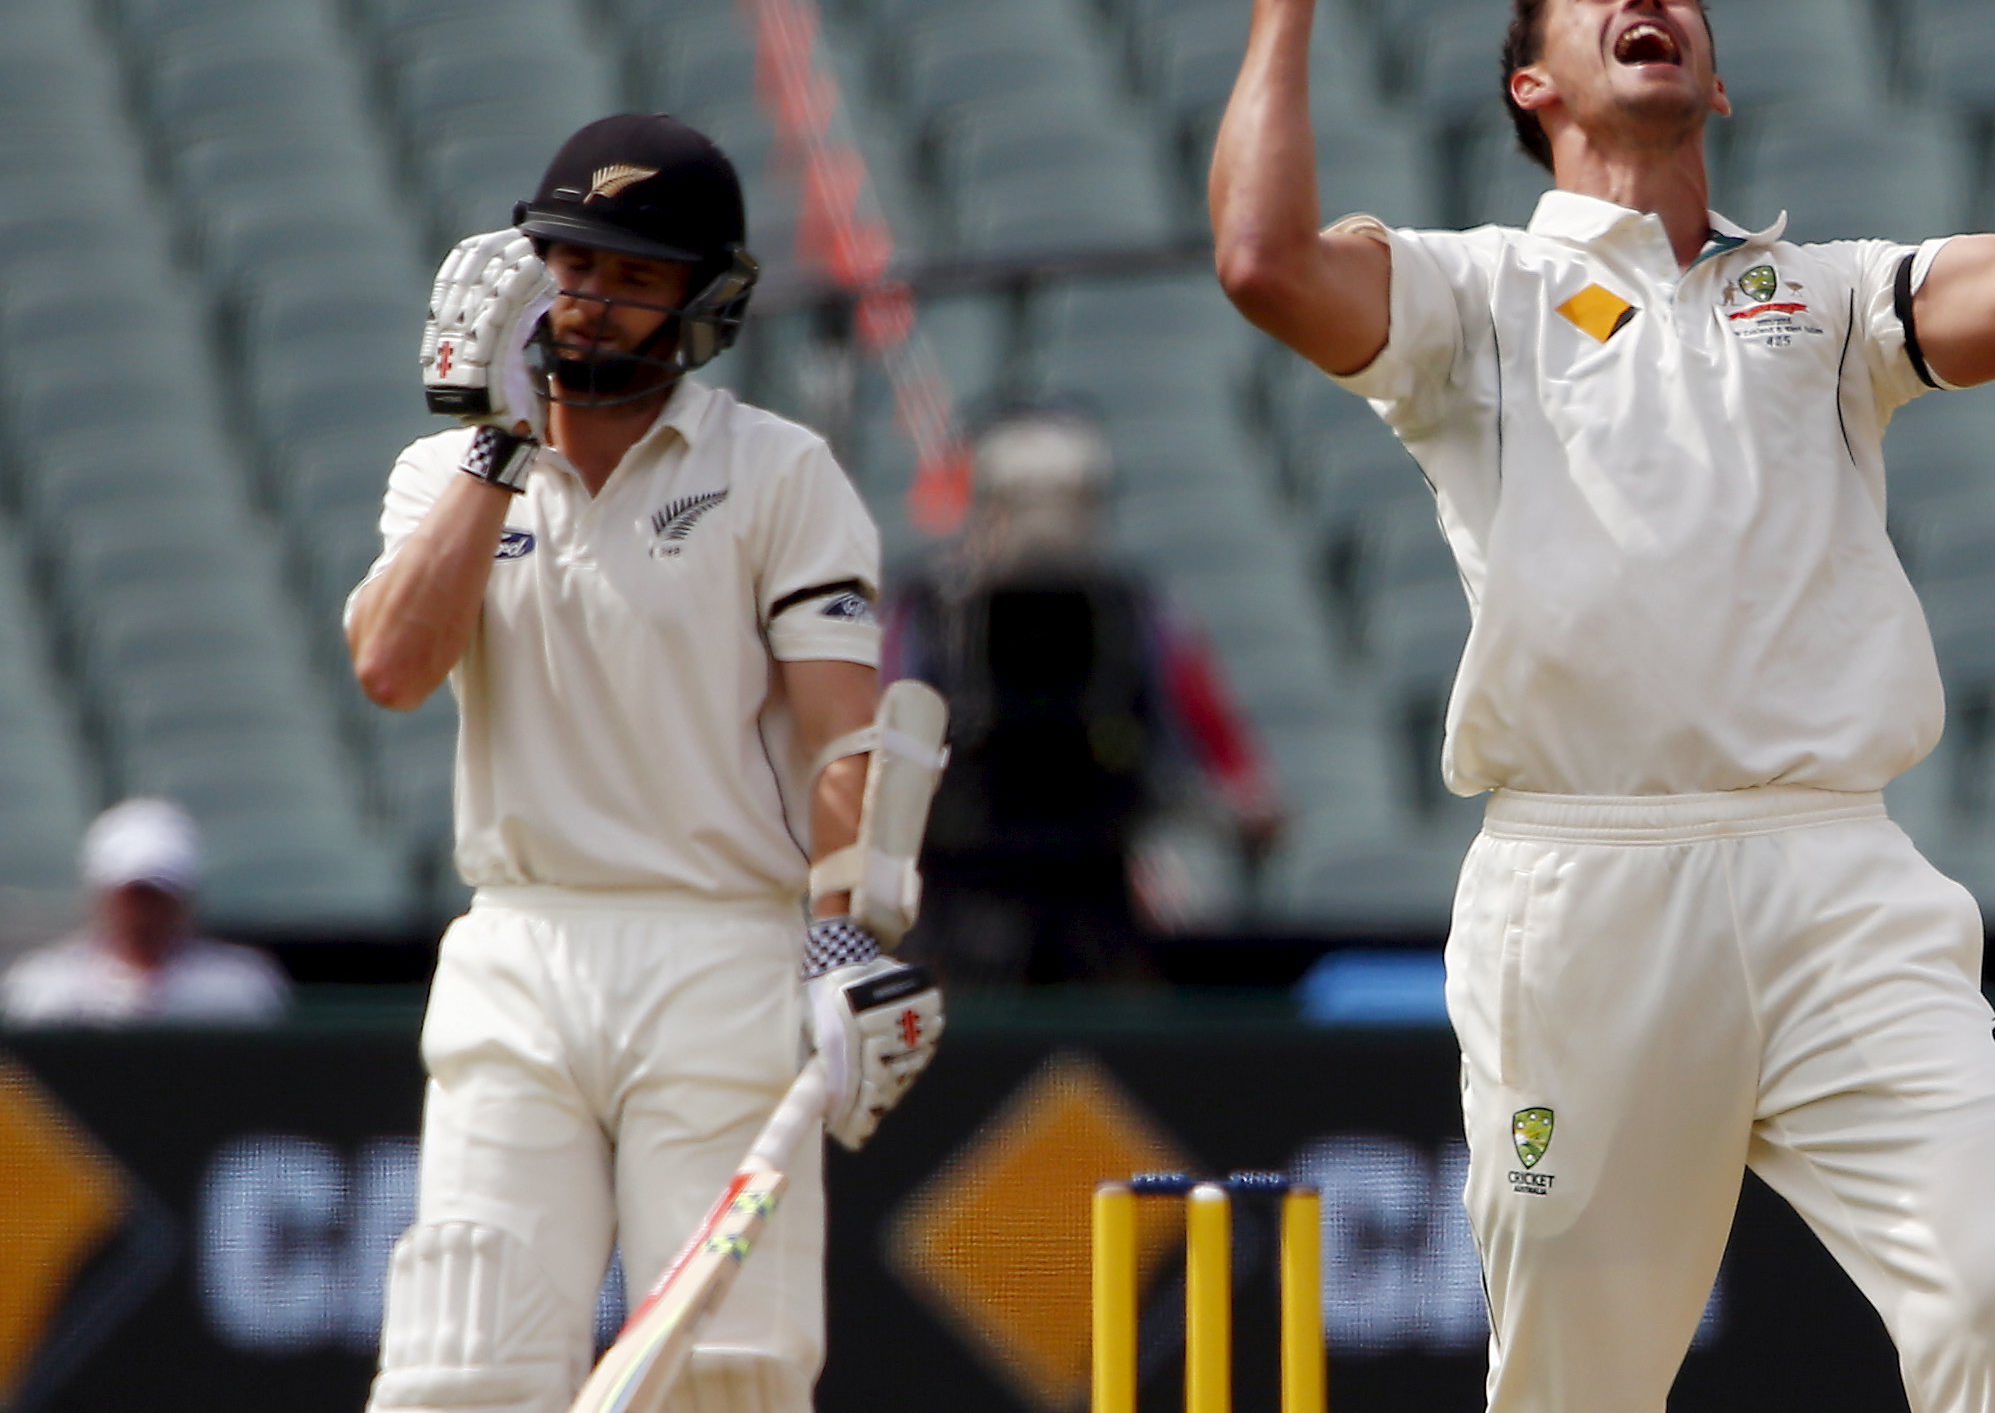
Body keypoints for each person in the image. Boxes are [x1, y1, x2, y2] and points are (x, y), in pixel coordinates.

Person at [1211, 0, 1995, 1413]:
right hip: (1585, 888)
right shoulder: (1479, 294)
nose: (1647, 0)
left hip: (1838, 876)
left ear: (1716, 79)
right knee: (1581, 1383)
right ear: (1533, 87)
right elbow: (1263, 262)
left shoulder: (1831, 300)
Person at [346, 113, 943, 1413]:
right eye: (571, 268)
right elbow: (391, 667)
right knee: (461, 1372)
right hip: (521, 943)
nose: (590, 304)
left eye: (631, 277)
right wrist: (497, 449)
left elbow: (844, 733)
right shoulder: (444, 473)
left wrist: (847, 937)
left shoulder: (778, 472)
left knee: (726, 1375)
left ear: (701, 300)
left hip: (720, 945)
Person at [884, 406, 1282, 985]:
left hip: (1098, 898)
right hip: (956, 902)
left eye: (1073, 501)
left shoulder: (1142, 613)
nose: (1048, 525)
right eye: (1022, 502)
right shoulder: (922, 614)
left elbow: (1227, 760)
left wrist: (1239, 806)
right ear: (985, 507)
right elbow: (873, 745)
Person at [0, 797, 290, 1027]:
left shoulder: (240, 989)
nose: (144, 912)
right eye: (132, 896)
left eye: (158, 896)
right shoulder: (44, 987)